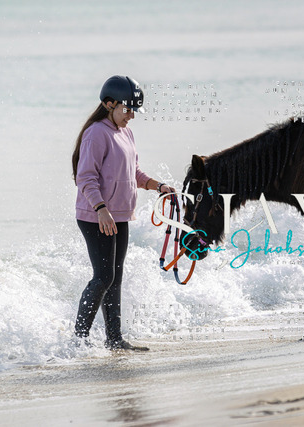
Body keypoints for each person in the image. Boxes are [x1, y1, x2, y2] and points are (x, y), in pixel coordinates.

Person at [71, 75, 174, 350]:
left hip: (118, 215)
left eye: (134, 110)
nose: (132, 116)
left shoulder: (125, 133)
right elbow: (85, 178)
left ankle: (114, 340)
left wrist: (157, 185)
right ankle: (78, 341)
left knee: (115, 277)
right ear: (109, 104)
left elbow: (133, 172)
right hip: (96, 216)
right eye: (127, 109)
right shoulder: (96, 133)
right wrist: (101, 209)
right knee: (103, 277)